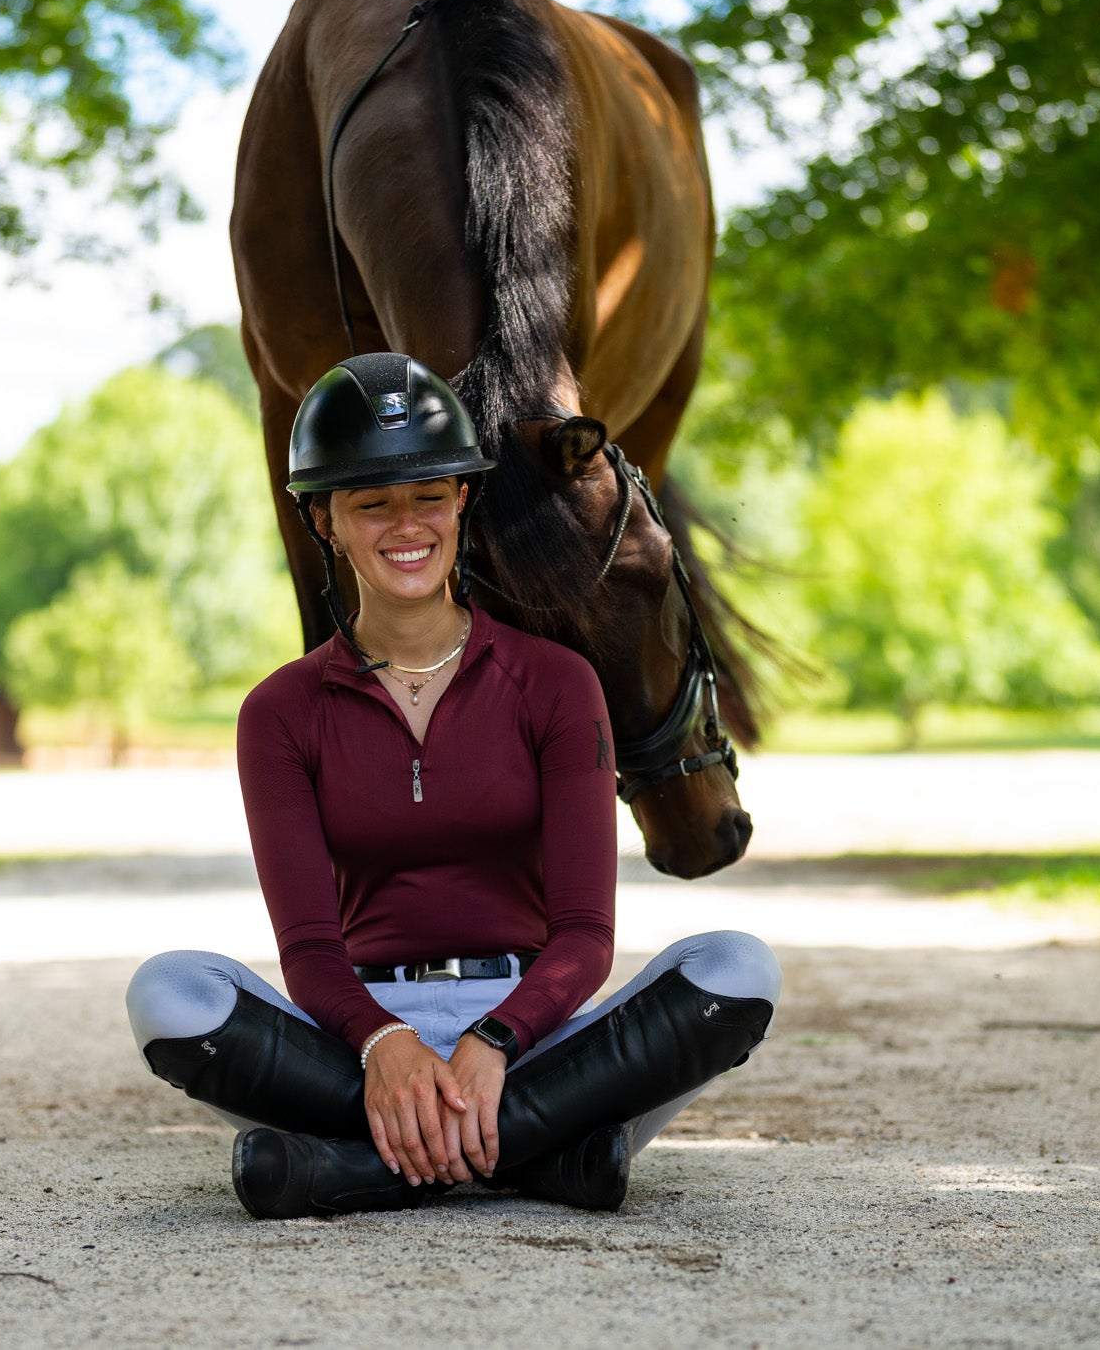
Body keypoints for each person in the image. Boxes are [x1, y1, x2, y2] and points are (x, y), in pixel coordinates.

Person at [125, 353, 780, 1218]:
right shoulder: (278, 711)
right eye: (372, 503)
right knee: (167, 990)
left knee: (739, 966)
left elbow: (585, 934)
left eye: (430, 495)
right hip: (355, 1040)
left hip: (534, 1033)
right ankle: (538, 1150)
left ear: (464, 498)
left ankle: (353, 1169)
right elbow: (311, 953)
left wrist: (496, 1038)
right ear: (325, 519)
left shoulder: (557, 682)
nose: (408, 524)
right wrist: (385, 1043)